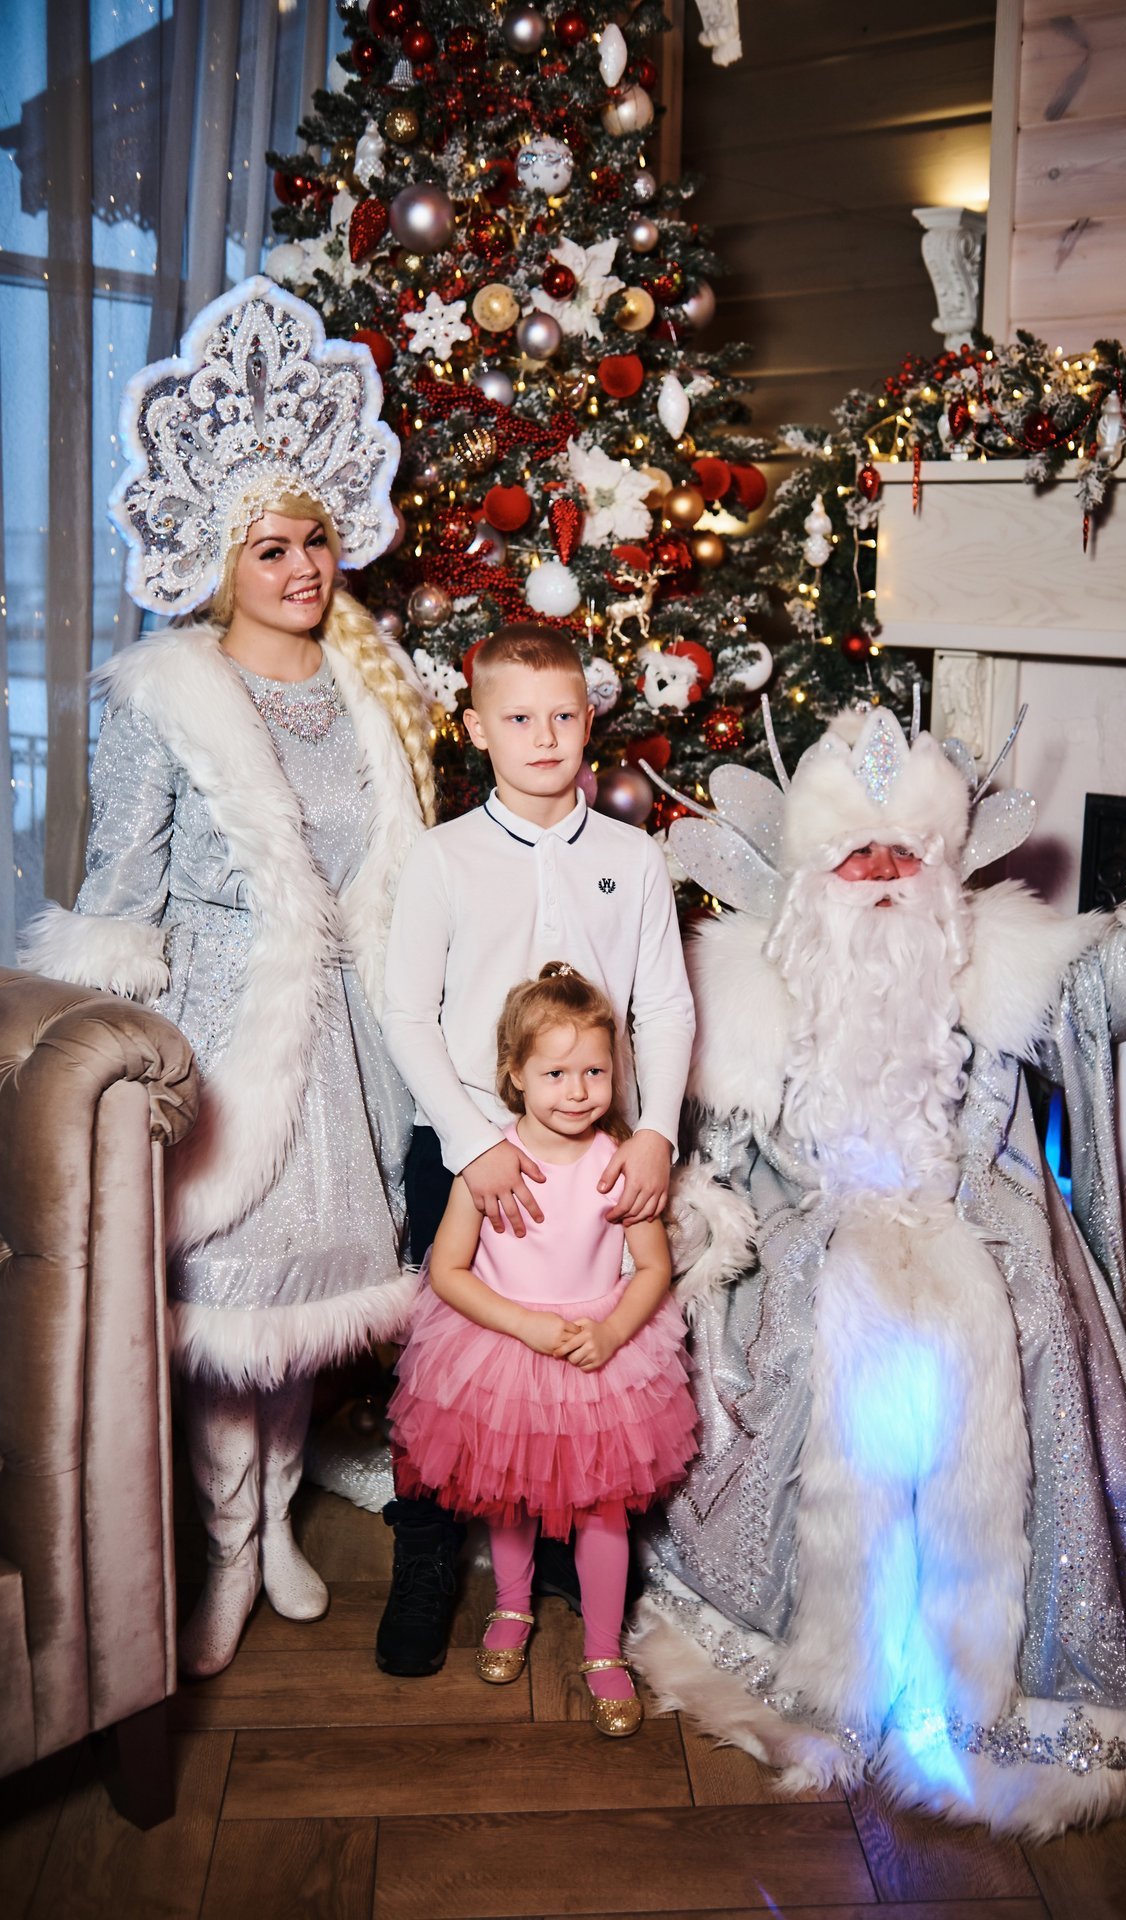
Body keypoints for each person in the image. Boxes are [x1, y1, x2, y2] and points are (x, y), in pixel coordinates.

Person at [630, 704, 1126, 1836]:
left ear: (942, 866)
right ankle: (830, 1662)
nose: (884, 877)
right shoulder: (743, 988)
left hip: (977, 1210)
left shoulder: (1000, 957)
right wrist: (705, 1220)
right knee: (817, 1338)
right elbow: (712, 1157)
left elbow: (1123, 984)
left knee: (1025, 1328)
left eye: (905, 854)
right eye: (857, 856)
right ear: (812, 877)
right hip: (811, 1220)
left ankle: (995, 1690)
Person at [19, 277, 434, 1680]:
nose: (303, 568)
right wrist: (112, 1045)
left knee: (308, 1305)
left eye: (314, 541)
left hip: (346, 1036)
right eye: (271, 549)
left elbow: (397, 880)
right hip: (220, 1027)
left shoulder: (372, 692)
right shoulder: (165, 694)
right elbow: (121, 884)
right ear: (220, 560)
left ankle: (277, 1526)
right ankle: (230, 1547)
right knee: (222, 1299)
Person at [377, 625, 695, 1676]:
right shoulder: (444, 856)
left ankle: (567, 1548)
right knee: (453, 1373)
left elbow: (665, 1007)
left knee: (585, 1348)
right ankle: (428, 1557)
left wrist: (655, 1134)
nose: (544, 736)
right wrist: (473, 1143)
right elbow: (406, 1012)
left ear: (590, 721)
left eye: (562, 715)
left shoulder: (632, 857)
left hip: (597, 1147)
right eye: (518, 718)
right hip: (468, 1142)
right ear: (476, 730)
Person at [388, 964, 698, 1734]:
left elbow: (653, 1268)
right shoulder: (487, 1162)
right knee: (509, 1493)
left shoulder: (616, 1162)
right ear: (515, 1074)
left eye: (595, 1071)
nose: (578, 1090)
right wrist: (521, 1324)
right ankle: (512, 1606)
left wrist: (613, 1333)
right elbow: (448, 1271)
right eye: (556, 1073)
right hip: (504, 1352)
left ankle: (603, 1649)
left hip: (598, 1357)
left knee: (604, 1511)